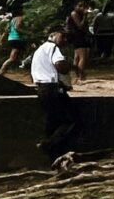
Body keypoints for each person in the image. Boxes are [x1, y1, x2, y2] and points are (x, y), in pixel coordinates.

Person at [30, 26, 79, 156]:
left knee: (53, 121)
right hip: (52, 90)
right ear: (53, 35)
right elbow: (60, 66)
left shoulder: (40, 50)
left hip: (42, 89)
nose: (64, 40)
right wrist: (71, 67)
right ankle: (48, 145)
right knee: (70, 120)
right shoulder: (53, 48)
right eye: (62, 36)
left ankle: (52, 153)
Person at [64, 0, 95, 79]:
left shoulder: (79, 14)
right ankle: (81, 75)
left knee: (77, 57)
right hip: (77, 36)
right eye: (80, 6)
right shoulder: (74, 13)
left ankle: (77, 75)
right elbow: (80, 26)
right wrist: (85, 16)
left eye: (83, 6)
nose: (82, 8)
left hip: (80, 36)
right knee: (82, 57)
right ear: (75, 6)